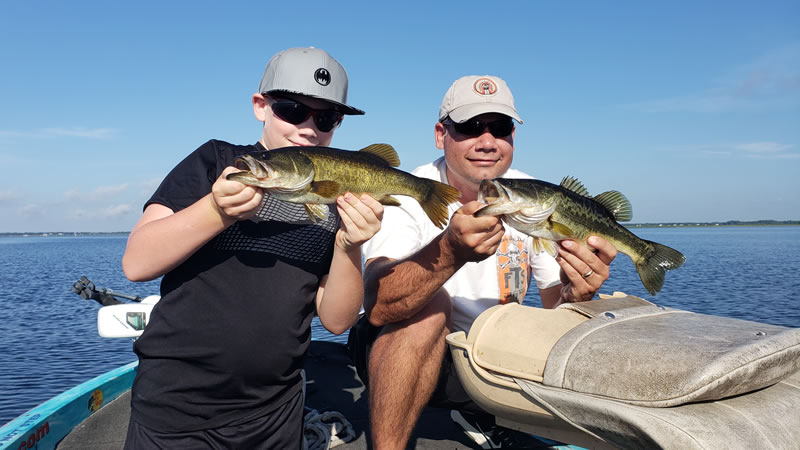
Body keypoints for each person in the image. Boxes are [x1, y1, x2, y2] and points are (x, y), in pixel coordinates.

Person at [121, 47, 383, 449]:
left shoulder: (332, 200)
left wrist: (349, 246)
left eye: (326, 118)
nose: (308, 128)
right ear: (261, 106)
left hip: (275, 412)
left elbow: (336, 321)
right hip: (175, 406)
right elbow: (137, 263)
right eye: (292, 110)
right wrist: (216, 211)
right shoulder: (216, 163)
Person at [348, 75, 618, 449]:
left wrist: (579, 293)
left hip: (491, 358)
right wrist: (449, 252)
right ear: (441, 135)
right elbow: (378, 306)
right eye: (471, 127)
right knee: (432, 307)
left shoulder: (533, 199)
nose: (487, 142)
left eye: (500, 128)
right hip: (402, 350)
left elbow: (556, 310)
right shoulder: (410, 192)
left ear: (512, 137)